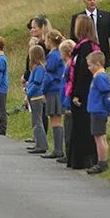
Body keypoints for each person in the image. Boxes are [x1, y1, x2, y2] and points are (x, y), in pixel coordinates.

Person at [68, 14, 100, 170]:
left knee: (83, 126)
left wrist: (76, 94)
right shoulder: (81, 46)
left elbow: (82, 73)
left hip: (84, 93)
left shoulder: (86, 47)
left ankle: (85, 158)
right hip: (82, 91)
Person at [85, 50, 110, 174]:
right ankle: (101, 161)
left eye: (90, 65)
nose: (88, 68)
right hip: (96, 110)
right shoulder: (97, 77)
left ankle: (102, 162)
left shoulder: (100, 77)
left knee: (100, 138)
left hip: (99, 111)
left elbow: (107, 94)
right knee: (98, 137)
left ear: (97, 64)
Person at [69, 0, 110, 67]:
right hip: (85, 54)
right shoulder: (77, 18)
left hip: (102, 53)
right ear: (84, 1)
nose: (92, 2)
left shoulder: (106, 16)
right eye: (89, 0)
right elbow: (73, 37)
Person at [41, 30, 66, 159]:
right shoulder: (59, 54)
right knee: (57, 119)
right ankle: (58, 148)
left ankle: (57, 149)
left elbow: (49, 75)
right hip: (58, 89)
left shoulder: (53, 56)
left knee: (55, 119)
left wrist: (43, 89)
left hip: (52, 89)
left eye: (46, 40)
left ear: (50, 41)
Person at [25, 45, 48, 154]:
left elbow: (37, 82)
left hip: (36, 96)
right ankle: (38, 143)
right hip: (34, 96)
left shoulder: (39, 68)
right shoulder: (36, 68)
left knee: (37, 121)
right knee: (35, 121)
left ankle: (42, 145)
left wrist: (28, 94)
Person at [57, 39, 76, 164]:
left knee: (69, 129)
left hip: (68, 101)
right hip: (64, 99)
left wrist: (68, 103)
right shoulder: (67, 65)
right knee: (67, 127)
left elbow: (69, 86)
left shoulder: (70, 66)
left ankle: (69, 154)